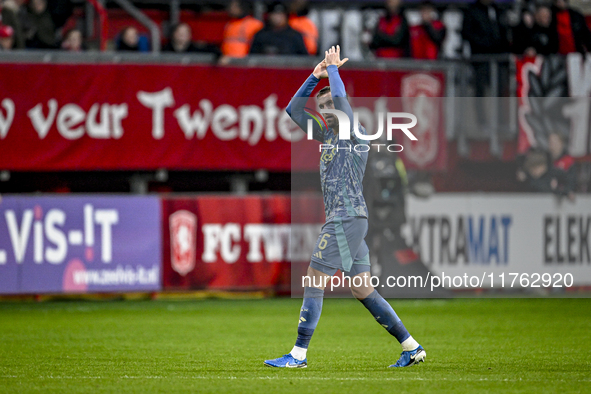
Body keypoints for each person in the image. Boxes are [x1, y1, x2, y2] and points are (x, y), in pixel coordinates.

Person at [264, 46, 426, 369]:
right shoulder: (326, 134)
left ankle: (298, 355)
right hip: (350, 220)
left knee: (313, 279)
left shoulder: (353, 132)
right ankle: (411, 347)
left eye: (330, 105)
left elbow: (341, 105)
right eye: (322, 106)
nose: (326, 110)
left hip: (345, 218)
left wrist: (334, 71)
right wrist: (315, 76)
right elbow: (293, 110)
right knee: (363, 290)